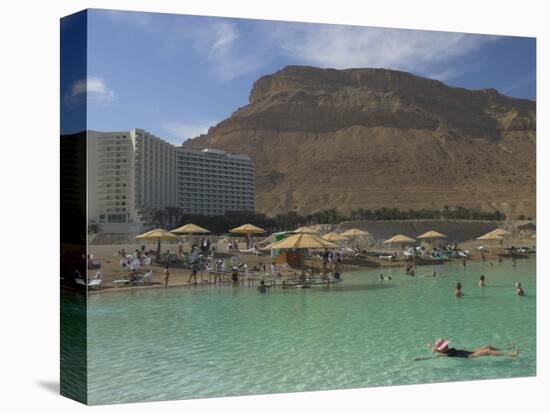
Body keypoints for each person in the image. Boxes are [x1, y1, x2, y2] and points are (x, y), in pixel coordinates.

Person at [428, 339, 518, 358]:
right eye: (444, 346)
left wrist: (431, 347)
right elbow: (437, 354)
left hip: (469, 351)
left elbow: (436, 349)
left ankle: (505, 349)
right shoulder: (445, 354)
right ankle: (511, 354)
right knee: (488, 351)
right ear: (441, 349)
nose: (446, 346)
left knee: (488, 346)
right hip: (470, 356)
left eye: (446, 345)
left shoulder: (444, 351)